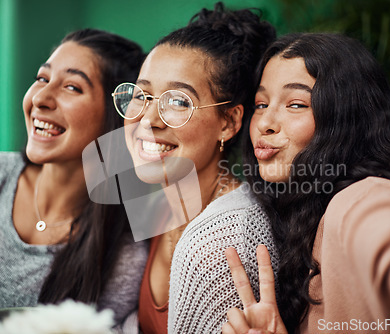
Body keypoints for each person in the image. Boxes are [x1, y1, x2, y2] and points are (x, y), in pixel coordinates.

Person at [222, 33, 390, 334]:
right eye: (261, 104)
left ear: (346, 117)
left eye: (296, 104)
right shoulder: (308, 215)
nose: (265, 122)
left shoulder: (364, 202)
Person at [0, 28, 148, 333]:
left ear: (117, 116)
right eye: (42, 78)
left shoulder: (121, 252)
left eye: (71, 86)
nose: (41, 97)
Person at [114, 3, 277, 333]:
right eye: (143, 95)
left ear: (229, 122)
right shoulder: (161, 207)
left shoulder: (228, 241)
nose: (147, 119)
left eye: (178, 101)